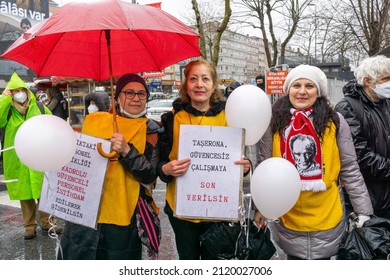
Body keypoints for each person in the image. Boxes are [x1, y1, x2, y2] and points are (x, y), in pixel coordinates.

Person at [254, 65, 373, 260]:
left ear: (318, 91)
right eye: (296, 85)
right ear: (288, 90)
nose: (302, 91)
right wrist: (259, 208)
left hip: (327, 214)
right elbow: (264, 164)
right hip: (287, 215)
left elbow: (350, 168)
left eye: (309, 86)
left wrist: (363, 212)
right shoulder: (274, 122)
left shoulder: (336, 121)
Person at [59, 73, 162, 260]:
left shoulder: (152, 129)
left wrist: (127, 151)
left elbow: (150, 175)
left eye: (142, 94)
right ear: (117, 97)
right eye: (129, 92)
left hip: (123, 217)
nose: (136, 98)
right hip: (86, 216)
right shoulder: (95, 122)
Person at [157, 59, 251, 260]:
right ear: (185, 85)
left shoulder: (231, 117)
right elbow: (159, 164)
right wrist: (166, 169)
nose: (199, 84)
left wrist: (245, 167)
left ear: (214, 84)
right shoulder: (171, 119)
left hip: (219, 211)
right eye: (193, 79)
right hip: (182, 210)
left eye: (205, 79)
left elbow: (243, 158)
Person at [0, 72, 62, 239]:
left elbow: (53, 126)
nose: (19, 93)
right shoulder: (7, 111)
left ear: (27, 91)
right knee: (25, 193)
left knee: (43, 190)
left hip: (39, 154)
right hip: (18, 158)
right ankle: (29, 226)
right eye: (15, 90)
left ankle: (48, 221)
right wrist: (4, 100)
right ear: (10, 93)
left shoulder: (40, 107)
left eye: (22, 89)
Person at [335, 55, 390, 219]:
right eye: (386, 78)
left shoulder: (386, 103)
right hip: (368, 197)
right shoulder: (347, 108)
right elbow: (358, 155)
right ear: (367, 81)